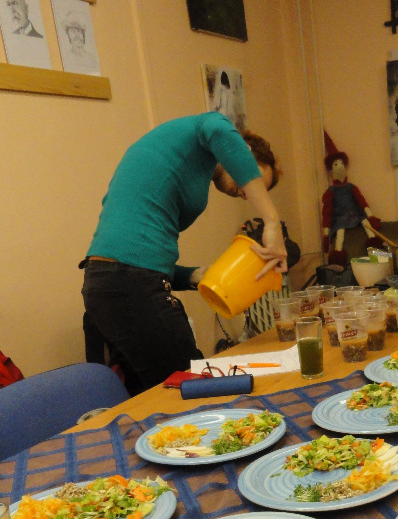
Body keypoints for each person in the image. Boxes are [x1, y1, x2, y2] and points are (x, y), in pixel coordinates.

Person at [81, 112, 285, 395]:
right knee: (196, 393)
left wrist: (197, 275)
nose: (249, 193)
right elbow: (217, 126)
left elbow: (141, 260)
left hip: (106, 285)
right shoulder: (205, 130)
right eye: (256, 181)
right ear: (243, 151)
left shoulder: (190, 166)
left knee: (156, 400)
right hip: (128, 287)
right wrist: (272, 221)